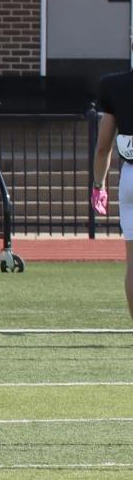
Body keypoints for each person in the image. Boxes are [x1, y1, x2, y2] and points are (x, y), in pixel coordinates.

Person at [96, 64, 133, 320]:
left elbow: (103, 147)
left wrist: (99, 185)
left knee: (132, 262)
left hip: (130, 175)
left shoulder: (114, 85)